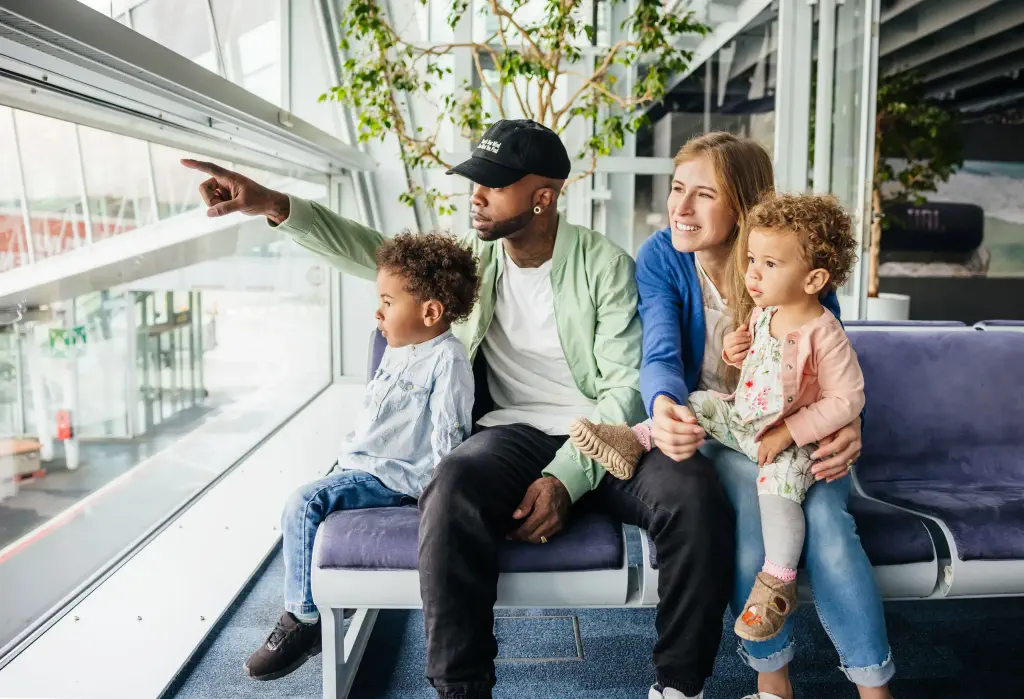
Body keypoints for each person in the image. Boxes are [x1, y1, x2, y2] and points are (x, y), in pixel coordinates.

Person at [182, 119, 734, 699]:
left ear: (543, 198)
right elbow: (377, 253)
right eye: (476, 182)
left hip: (601, 435)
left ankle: (679, 685)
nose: (477, 197)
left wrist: (564, 480)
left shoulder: (603, 265)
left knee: (693, 493)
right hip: (509, 432)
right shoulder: (474, 259)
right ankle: (461, 691)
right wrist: (272, 204)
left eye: (493, 186)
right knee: (450, 485)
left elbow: (622, 391)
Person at [595, 132, 893, 699]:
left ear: (744, 206)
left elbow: (832, 362)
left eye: (703, 195)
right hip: (724, 429)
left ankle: (875, 688)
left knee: (830, 528)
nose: (680, 208)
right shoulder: (662, 256)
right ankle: (773, 684)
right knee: (754, 522)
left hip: (800, 432)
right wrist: (663, 406)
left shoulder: (788, 257)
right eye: (677, 189)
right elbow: (659, 354)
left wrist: (848, 425)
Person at [574, 192, 866, 643]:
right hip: (744, 419)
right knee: (699, 402)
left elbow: (847, 398)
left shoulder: (825, 332)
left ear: (814, 280)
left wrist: (790, 431)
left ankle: (776, 581)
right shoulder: (767, 312)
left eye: (770, 264)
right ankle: (633, 439)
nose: (752, 272)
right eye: (752, 259)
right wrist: (737, 349)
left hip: (791, 442)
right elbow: (744, 358)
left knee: (776, 491)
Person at [241, 232, 479, 681]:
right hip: (363, 465)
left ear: (430, 312)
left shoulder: (448, 359)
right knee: (311, 497)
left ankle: (302, 622)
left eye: (388, 302)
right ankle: (317, 599)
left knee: (303, 504)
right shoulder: (395, 347)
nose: (378, 311)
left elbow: (450, 434)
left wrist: (437, 498)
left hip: (396, 479)